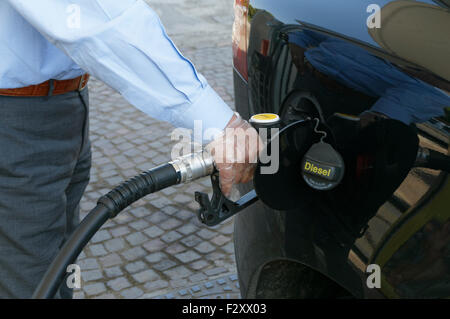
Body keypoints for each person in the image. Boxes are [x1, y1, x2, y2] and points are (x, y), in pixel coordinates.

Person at [0, 0, 259, 298]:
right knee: (31, 281)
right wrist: (218, 124)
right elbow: (98, 17)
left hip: (63, 102)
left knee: (57, 269)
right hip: (16, 115)